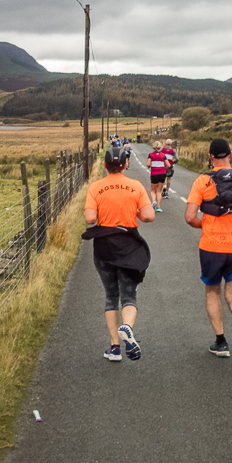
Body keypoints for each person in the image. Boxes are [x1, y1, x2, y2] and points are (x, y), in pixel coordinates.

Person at [184, 138, 232, 357]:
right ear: (231, 155)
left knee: (212, 291)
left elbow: (190, 217)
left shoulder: (202, 181)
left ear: (210, 157)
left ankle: (221, 342)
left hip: (211, 247)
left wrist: (207, 223)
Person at [84, 145, 155, 362]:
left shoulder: (96, 187)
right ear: (125, 165)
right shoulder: (136, 186)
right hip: (129, 246)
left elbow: (90, 219)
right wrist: (135, 212)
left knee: (111, 297)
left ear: (105, 165)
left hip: (104, 246)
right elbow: (149, 216)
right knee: (129, 296)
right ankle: (127, 327)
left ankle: (115, 348)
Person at [145, 143, 168, 211]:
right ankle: (158, 207)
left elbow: (148, 164)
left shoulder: (151, 155)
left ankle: (153, 200)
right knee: (159, 191)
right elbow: (168, 165)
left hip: (154, 174)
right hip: (162, 173)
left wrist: (150, 166)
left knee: (153, 190)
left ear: (153, 148)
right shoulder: (163, 155)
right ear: (160, 147)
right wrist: (164, 168)